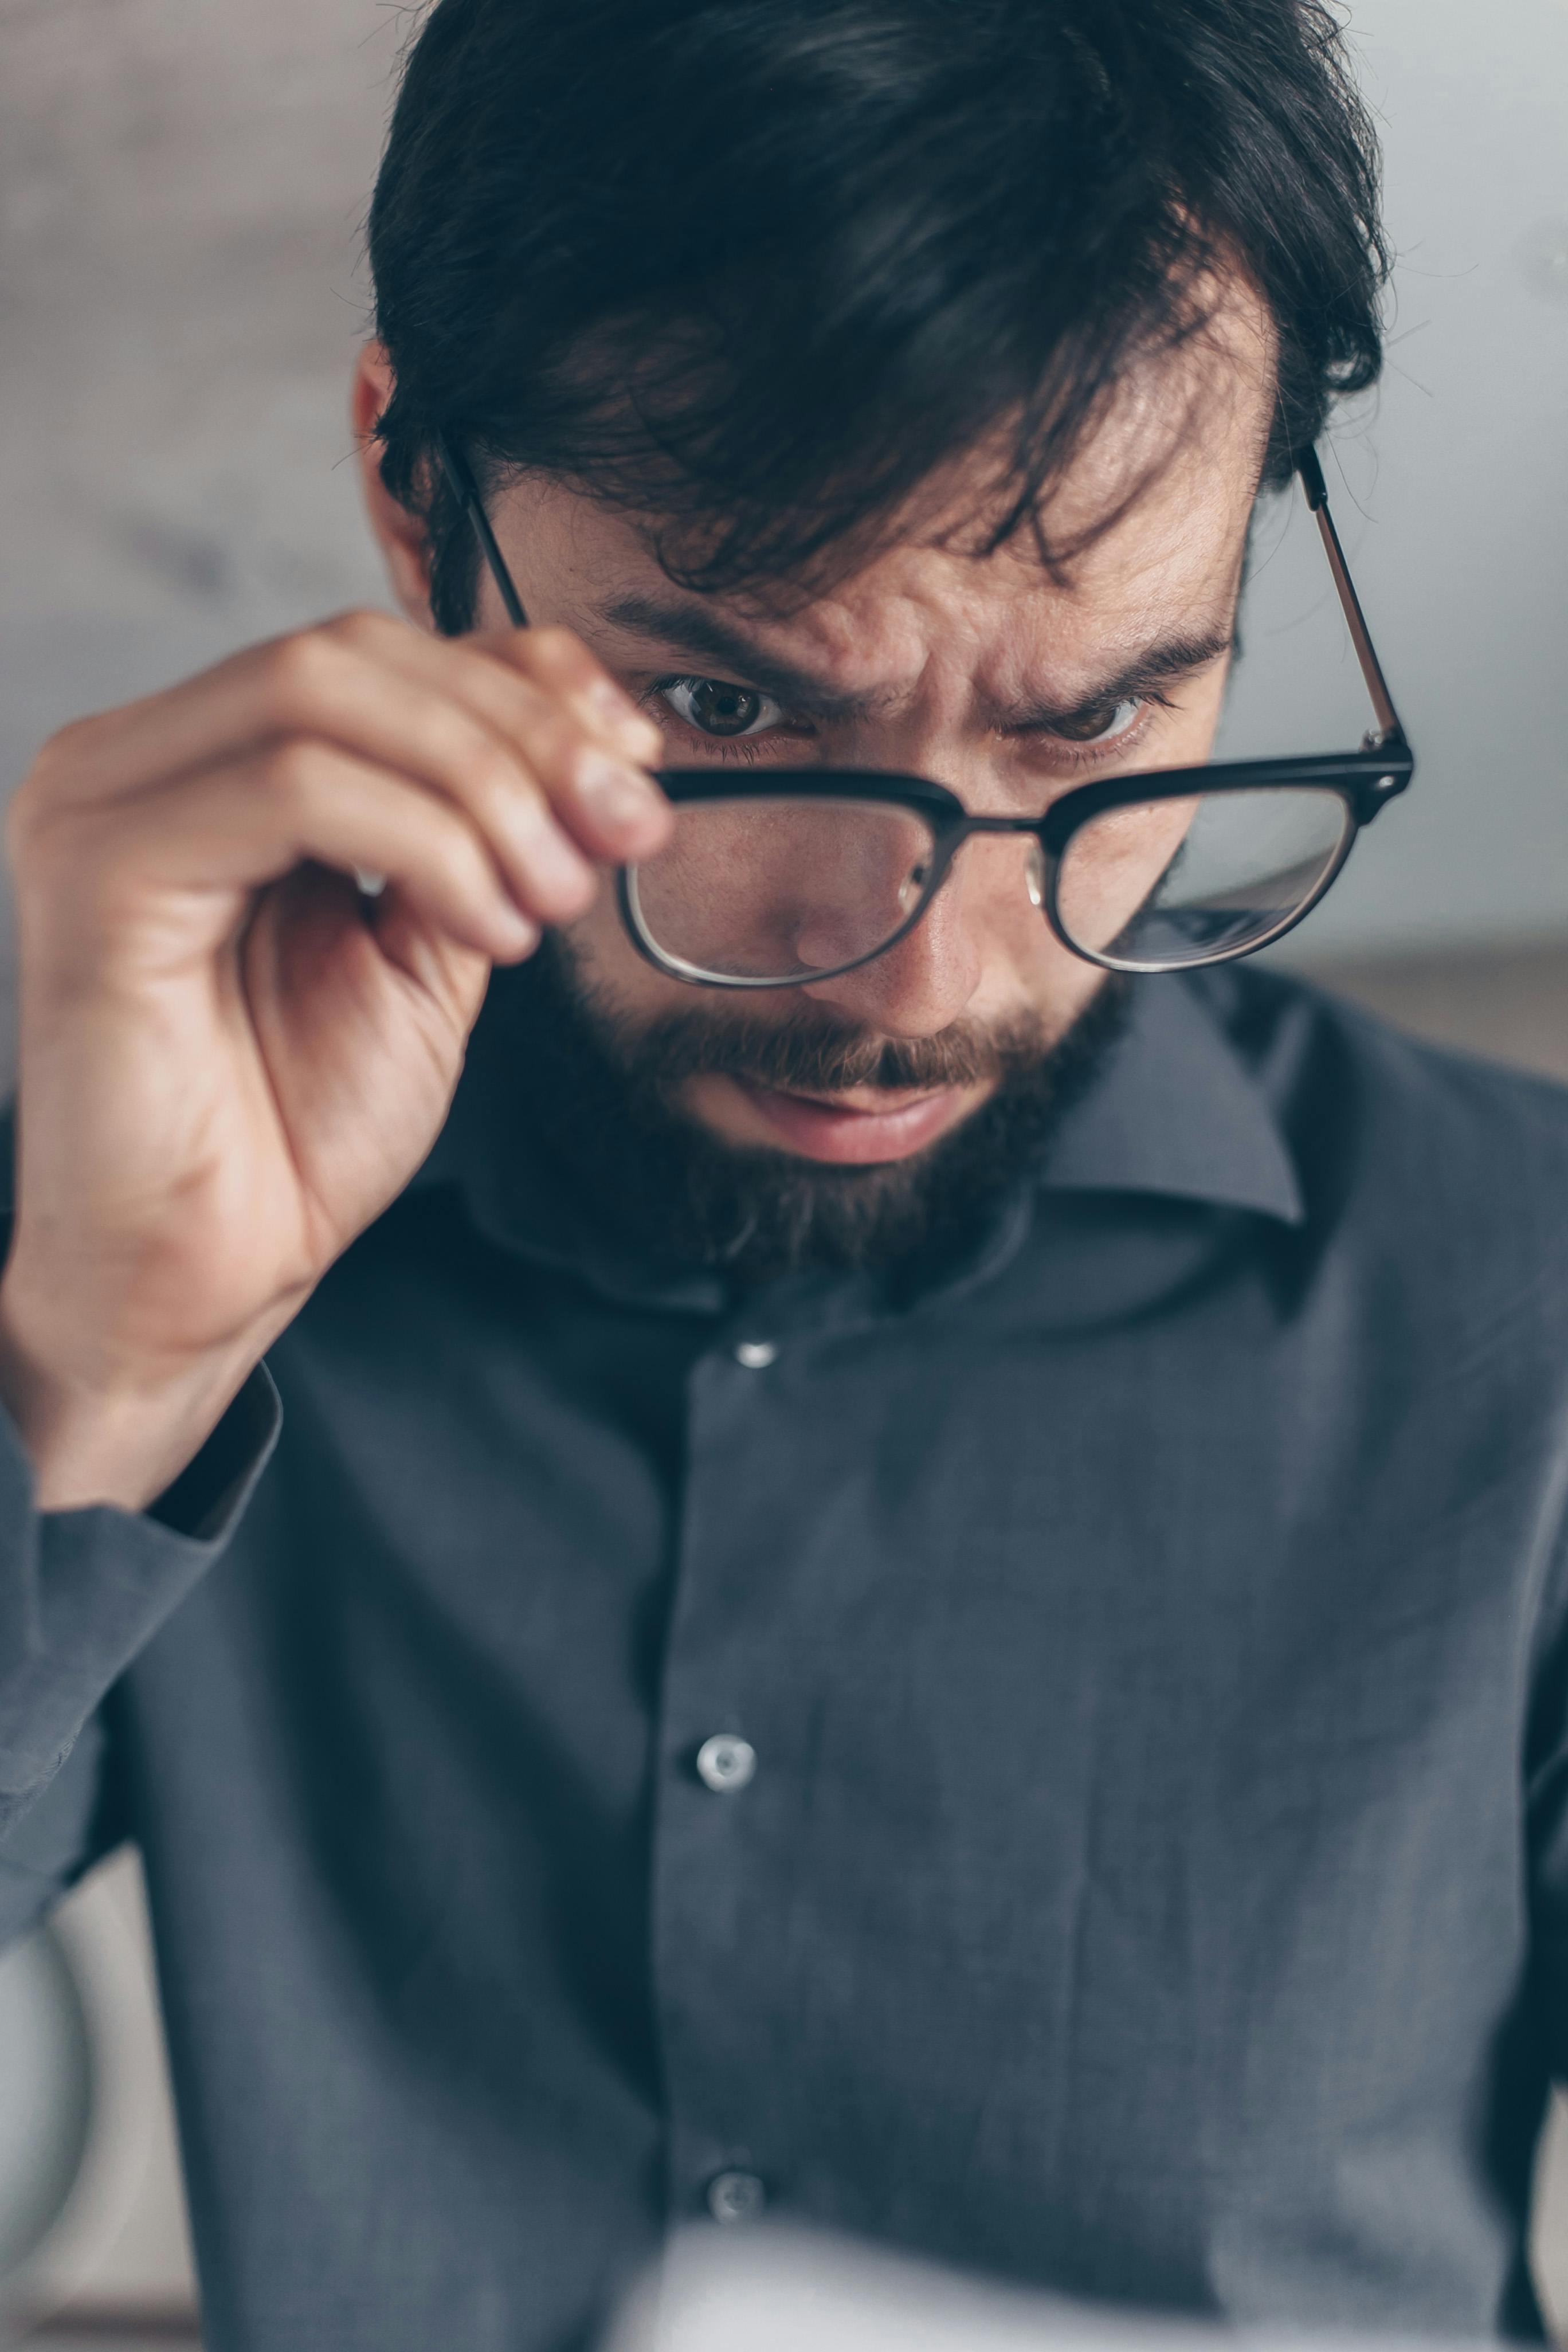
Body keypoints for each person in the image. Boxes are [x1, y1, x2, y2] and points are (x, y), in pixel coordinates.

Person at [0, 1, 1564, 2346]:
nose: (913, 971)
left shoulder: (1522, 1297)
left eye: (1100, 718)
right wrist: (95, 1385)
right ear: (422, 499)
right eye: (729, 711)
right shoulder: (119, 1198)